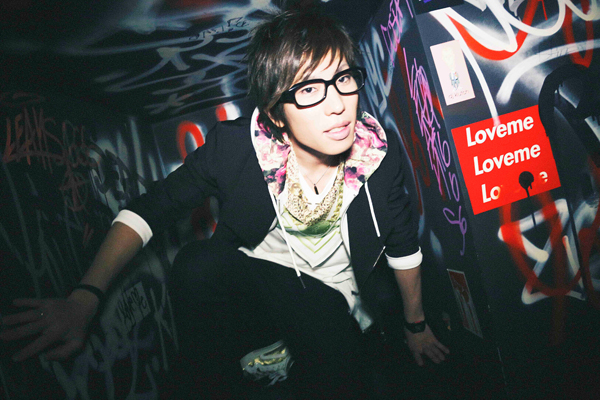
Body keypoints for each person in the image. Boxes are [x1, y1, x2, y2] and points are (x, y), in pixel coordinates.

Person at [0, 8, 449, 399]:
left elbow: (402, 246)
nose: (337, 105)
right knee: (198, 264)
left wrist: (415, 326)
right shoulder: (235, 148)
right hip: (258, 288)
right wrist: (86, 297)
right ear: (276, 114)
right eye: (309, 90)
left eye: (343, 79)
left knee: (340, 365)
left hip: (334, 303)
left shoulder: (377, 154)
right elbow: (148, 211)